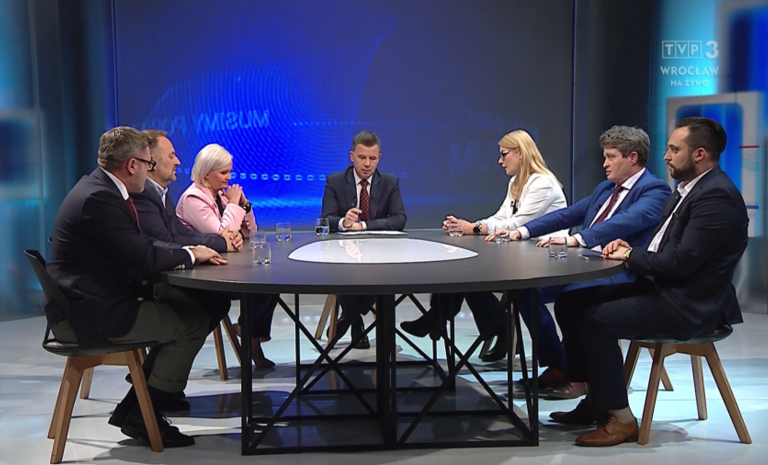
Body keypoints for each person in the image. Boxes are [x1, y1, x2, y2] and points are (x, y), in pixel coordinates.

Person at [550, 116, 748, 447]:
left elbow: (681, 263)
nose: (666, 156)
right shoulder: (687, 190)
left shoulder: (717, 197)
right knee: (572, 301)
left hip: (688, 304)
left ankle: (621, 418)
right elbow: (663, 249)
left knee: (597, 320)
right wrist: (631, 249)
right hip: (664, 287)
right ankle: (596, 399)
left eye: (674, 149)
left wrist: (630, 256)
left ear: (699, 154)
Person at [47, 126, 230, 448]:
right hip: (89, 314)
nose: (150, 170)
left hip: (91, 302)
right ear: (132, 165)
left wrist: (189, 252)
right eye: (148, 163)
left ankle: (137, 408)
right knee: (191, 323)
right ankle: (142, 416)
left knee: (188, 311)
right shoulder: (99, 199)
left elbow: (138, 246)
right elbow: (143, 256)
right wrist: (191, 254)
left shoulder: (99, 188)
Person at [497, 126, 671, 398]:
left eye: (611, 157)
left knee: (571, 301)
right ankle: (558, 364)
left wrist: (578, 239)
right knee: (525, 292)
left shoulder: (655, 190)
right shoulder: (606, 188)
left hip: (622, 272)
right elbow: (569, 214)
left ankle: (579, 379)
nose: (605, 164)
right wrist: (524, 231)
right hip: (586, 264)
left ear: (633, 158)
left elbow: (625, 221)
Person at [400, 129, 568, 352]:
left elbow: (518, 223)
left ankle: (444, 319)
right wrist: (468, 226)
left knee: (471, 274)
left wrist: (474, 228)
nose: (500, 161)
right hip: (520, 252)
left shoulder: (542, 183)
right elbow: (501, 218)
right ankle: (460, 322)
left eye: (504, 154)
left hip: (545, 257)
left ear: (520, 153)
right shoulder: (516, 182)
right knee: (466, 272)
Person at [176, 143, 278, 368]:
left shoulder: (220, 196)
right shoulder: (193, 198)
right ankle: (249, 334)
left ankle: (248, 332)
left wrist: (244, 205)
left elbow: (250, 233)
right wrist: (233, 205)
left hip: (225, 266)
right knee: (262, 286)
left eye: (229, 172)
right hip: (203, 274)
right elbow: (222, 236)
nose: (229, 178)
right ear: (206, 174)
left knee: (270, 280)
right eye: (223, 172)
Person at [320, 130, 407, 348]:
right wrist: (344, 222)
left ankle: (349, 318)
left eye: (372, 158)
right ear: (352, 157)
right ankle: (356, 321)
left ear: (379, 158)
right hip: (343, 254)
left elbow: (399, 219)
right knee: (340, 272)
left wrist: (364, 226)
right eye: (362, 157)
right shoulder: (335, 181)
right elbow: (326, 219)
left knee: (382, 275)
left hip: (379, 254)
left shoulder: (390, 182)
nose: (367, 164)